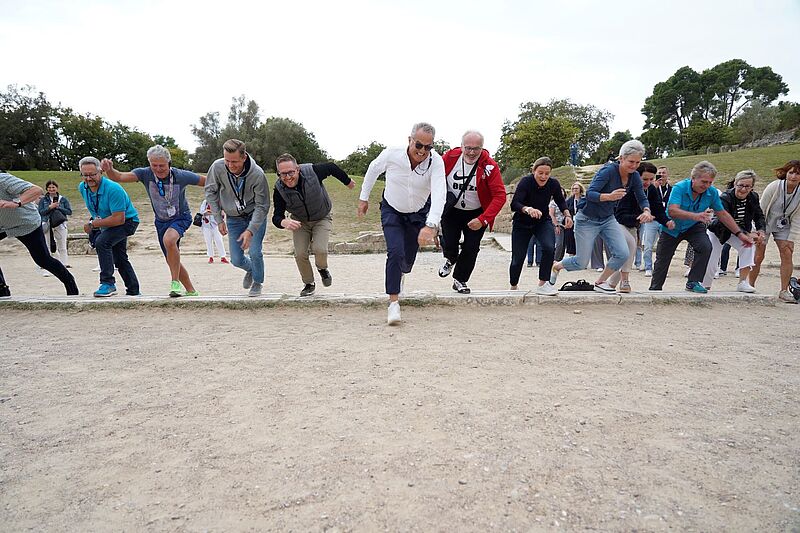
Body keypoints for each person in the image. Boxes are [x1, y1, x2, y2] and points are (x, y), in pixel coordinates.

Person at [358, 122, 446, 325]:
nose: (423, 151)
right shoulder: (392, 154)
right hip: (392, 210)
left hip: (418, 213)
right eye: (419, 145)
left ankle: (402, 273)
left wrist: (431, 225)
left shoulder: (436, 163)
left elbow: (440, 193)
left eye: (428, 147)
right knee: (395, 252)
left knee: (406, 261)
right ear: (410, 140)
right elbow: (373, 170)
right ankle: (393, 303)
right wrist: (364, 198)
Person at [550, 140, 652, 293]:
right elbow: (590, 193)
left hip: (608, 219)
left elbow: (642, 197)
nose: (634, 165)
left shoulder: (635, 177)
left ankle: (600, 282)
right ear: (621, 158)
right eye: (631, 161)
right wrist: (609, 197)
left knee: (623, 253)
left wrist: (646, 210)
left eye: (638, 162)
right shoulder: (608, 171)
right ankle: (557, 266)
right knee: (581, 262)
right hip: (586, 219)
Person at [101, 145, 203, 297]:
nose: (158, 169)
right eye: (154, 165)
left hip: (181, 217)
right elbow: (119, 177)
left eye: (161, 165)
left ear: (169, 163)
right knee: (171, 259)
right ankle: (191, 291)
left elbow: (206, 181)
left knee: (169, 241)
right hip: (161, 221)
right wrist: (109, 169)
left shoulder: (181, 175)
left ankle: (174, 283)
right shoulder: (145, 174)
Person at [649, 161, 754, 293]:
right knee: (663, 260)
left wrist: (739, 234)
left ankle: (693, 282)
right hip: (672, 226)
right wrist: (695, 216)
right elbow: (672, 211)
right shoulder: (679, 188)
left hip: (694, 226)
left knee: (705, 246)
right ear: (693, 178)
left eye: (710, 182)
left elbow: (722, 214)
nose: (707, 185)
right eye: (704, 182)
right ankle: (655, 289)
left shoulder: (712, 192)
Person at [272, 153, 355, 296]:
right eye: (283, 174)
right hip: (300, 222)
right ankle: (309, 283)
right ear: (278, 173)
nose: (288, 177)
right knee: (300, 254)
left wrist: (347, 181)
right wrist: (283, 222)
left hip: (322, 217)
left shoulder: (312, 172)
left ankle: (322, 269)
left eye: (291, 172)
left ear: (297, 169)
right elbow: (276, 216)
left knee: (320, 249)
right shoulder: (279, 189)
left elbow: (331, 167)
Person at [438, 131, 506, 294]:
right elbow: (433, 177)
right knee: (449, 242)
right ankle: (451, 258)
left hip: (476, 213)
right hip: (452, 210)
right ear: (461, 146)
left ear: (482, 148)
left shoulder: (490, 166)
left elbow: (500, 195)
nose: (471, 152)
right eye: (468, 148)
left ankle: (460, 280)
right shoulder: (449, 158)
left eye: (476, 148)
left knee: (471, 247)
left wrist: (483, 219)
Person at [205, 139, 271, 297]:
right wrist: (218, 219)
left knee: (255, 252)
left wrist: (250, 230)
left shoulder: (257, 174)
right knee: (236, 259)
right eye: (227, 160)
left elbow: (262, 206)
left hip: (254, 215)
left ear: (244, 157)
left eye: (234, 161)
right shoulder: (218, 167)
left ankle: (257, 282)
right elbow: (210, 192)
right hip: (233, 218)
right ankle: (250, 269)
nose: (230, 165)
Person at [0, 171, 79, 297]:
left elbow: (36, 190)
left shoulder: (2, 179)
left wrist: (16, 203)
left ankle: (70, 285)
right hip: (2, 225)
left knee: (42, 260)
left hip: (26, 223)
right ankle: (2, 290)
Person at [77, 156, 140, 297]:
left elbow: (119, 219)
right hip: (108, 222)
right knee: (119, 257)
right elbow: (96, 209)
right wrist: (95, 224)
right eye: (84, 175)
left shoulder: (113, 189)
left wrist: (93, 224)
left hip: (127, 221)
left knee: (102, 242)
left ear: (100, 172)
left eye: (92, 174)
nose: (88, 178)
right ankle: (134, 290)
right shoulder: (83, 188)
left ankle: (107, 283)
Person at [509, 157, 572, 295]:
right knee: (517, 258)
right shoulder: (526, 182)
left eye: (547, 173)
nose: (543, 176)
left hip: (542, 221)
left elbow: (561, 201)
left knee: (549, 247)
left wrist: (567, 215)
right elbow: (515, 204)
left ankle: (543, 284)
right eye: (540, 173)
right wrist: (528, 209)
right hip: (522, 222)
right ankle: (513, 285)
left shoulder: (553, 184)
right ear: (534, 171)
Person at [607, 162, 671, 292]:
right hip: (614, 223)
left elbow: (658, 209)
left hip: (632, 226)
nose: (648, 182)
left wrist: (667, 222)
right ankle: (625, 281)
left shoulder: (651, 190)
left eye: (651, 179)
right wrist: (641, 217)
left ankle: (609, 284)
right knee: (630, 245)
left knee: (625, 255)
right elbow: (620, 216)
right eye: (645, 179)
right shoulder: (628, 189)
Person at [702, 170, 764, 292]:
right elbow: (725, 220)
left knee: (748, 246)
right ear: (735, 183)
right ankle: (705, 284)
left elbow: (759, 215)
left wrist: (761, 230)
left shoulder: (753, 197)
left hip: (740, 232)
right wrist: (746, 234)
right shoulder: (725, 197)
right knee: (712, 258)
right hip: (719, 230)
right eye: (741, 185)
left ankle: (743, 282)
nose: (743, 189)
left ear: (752, 187)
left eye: (747, 186)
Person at [749, 160, 800, 303]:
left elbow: (798, 216)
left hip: (784, 224)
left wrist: (791, 238)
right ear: (785, 173)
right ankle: (750, 285)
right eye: (791, 172)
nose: (794, 176)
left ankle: (784, 291)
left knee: (787, 252)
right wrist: (758, 231)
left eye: (797, 173)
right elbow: (761, 209)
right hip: (765, 221)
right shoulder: (775, 187)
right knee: (759, 255)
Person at [641, 166, 672, 276]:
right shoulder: (650, 188)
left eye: (664, 173)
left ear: (667, 175)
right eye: (659, 173)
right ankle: (648, 267)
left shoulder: (671, 189)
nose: (662, 175)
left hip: (664, 219)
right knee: (648, 245)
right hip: (651, 220)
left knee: (664, 246)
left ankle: (661, 268)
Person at [37, 180, 72, 269]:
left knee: (62, 244)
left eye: (53, 187)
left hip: (60, 223)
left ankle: (64, 263)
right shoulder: (43, 200)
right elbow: (41, 212)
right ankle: (48, 263)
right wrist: (49, 207)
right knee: (47, 244)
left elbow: (69, 211)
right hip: (47, 224)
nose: (51, 189)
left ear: (57, 188)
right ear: (46, 189)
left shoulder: (63, 199)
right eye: (49, 187)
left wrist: (58, 207)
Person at [199, 199, 228, 264]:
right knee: (208, 241)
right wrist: (213, 212)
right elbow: (202, 212)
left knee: (219, 240)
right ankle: (211, 257)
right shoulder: (205, 202)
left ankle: (223, 257)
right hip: (206, 224)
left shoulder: (219, 201)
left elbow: (222, 212)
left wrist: (210, 212)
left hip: (216, 224)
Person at [563, 182, 584, 256]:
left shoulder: (584, 199)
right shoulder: (569, 201)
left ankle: (581, 258)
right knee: (570, 239)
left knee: (581, 241)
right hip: (571, 222)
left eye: (576, 188)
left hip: (582, 223)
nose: (575, 190)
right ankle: (571, 257)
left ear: (580, 189)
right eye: (573, 188)